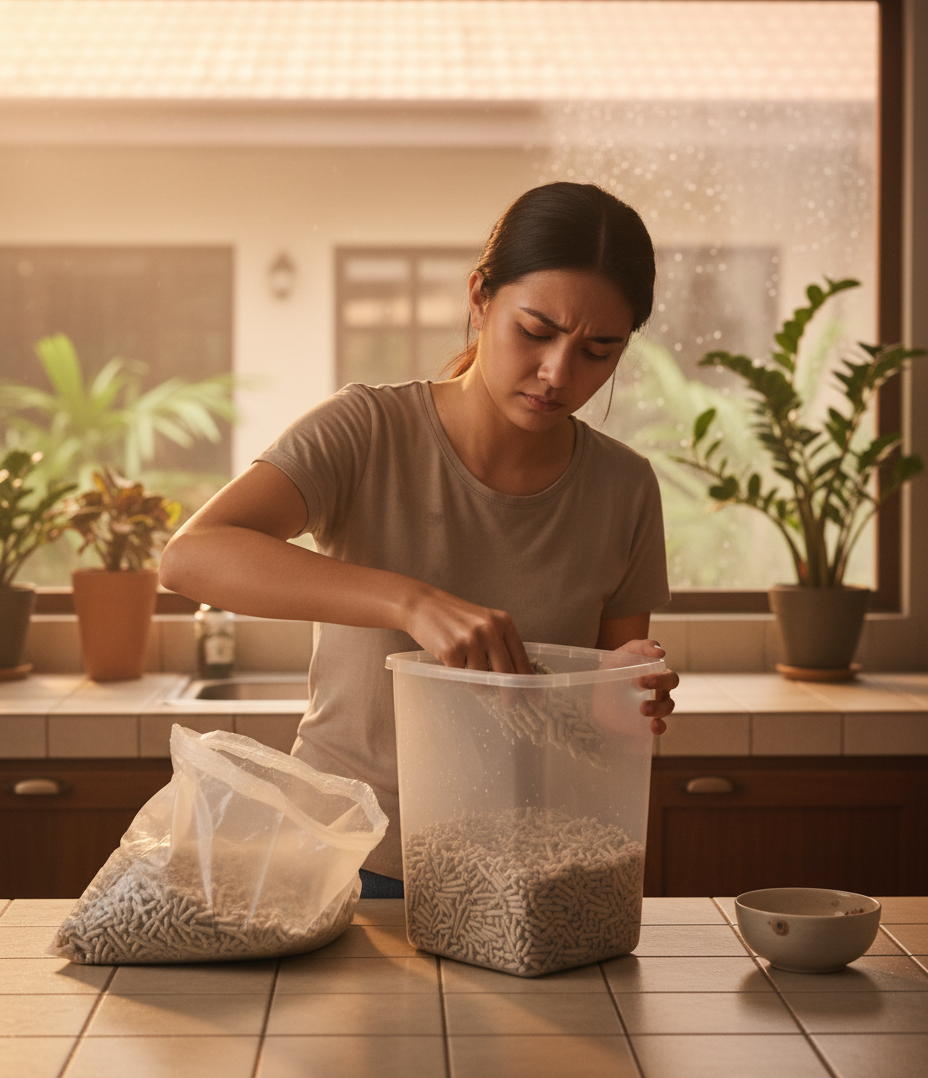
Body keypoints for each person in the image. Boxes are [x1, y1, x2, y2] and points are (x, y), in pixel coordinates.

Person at [159, 181, 679, 896]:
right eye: (535, 332)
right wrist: (410, 603)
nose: (558, 373)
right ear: (479, 299)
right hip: (352, 856)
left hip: (530, 866)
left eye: (599, 350)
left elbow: (597, 726)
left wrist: (619, 697)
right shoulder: (366, 430)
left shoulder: (625, 488)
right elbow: (191, 557)